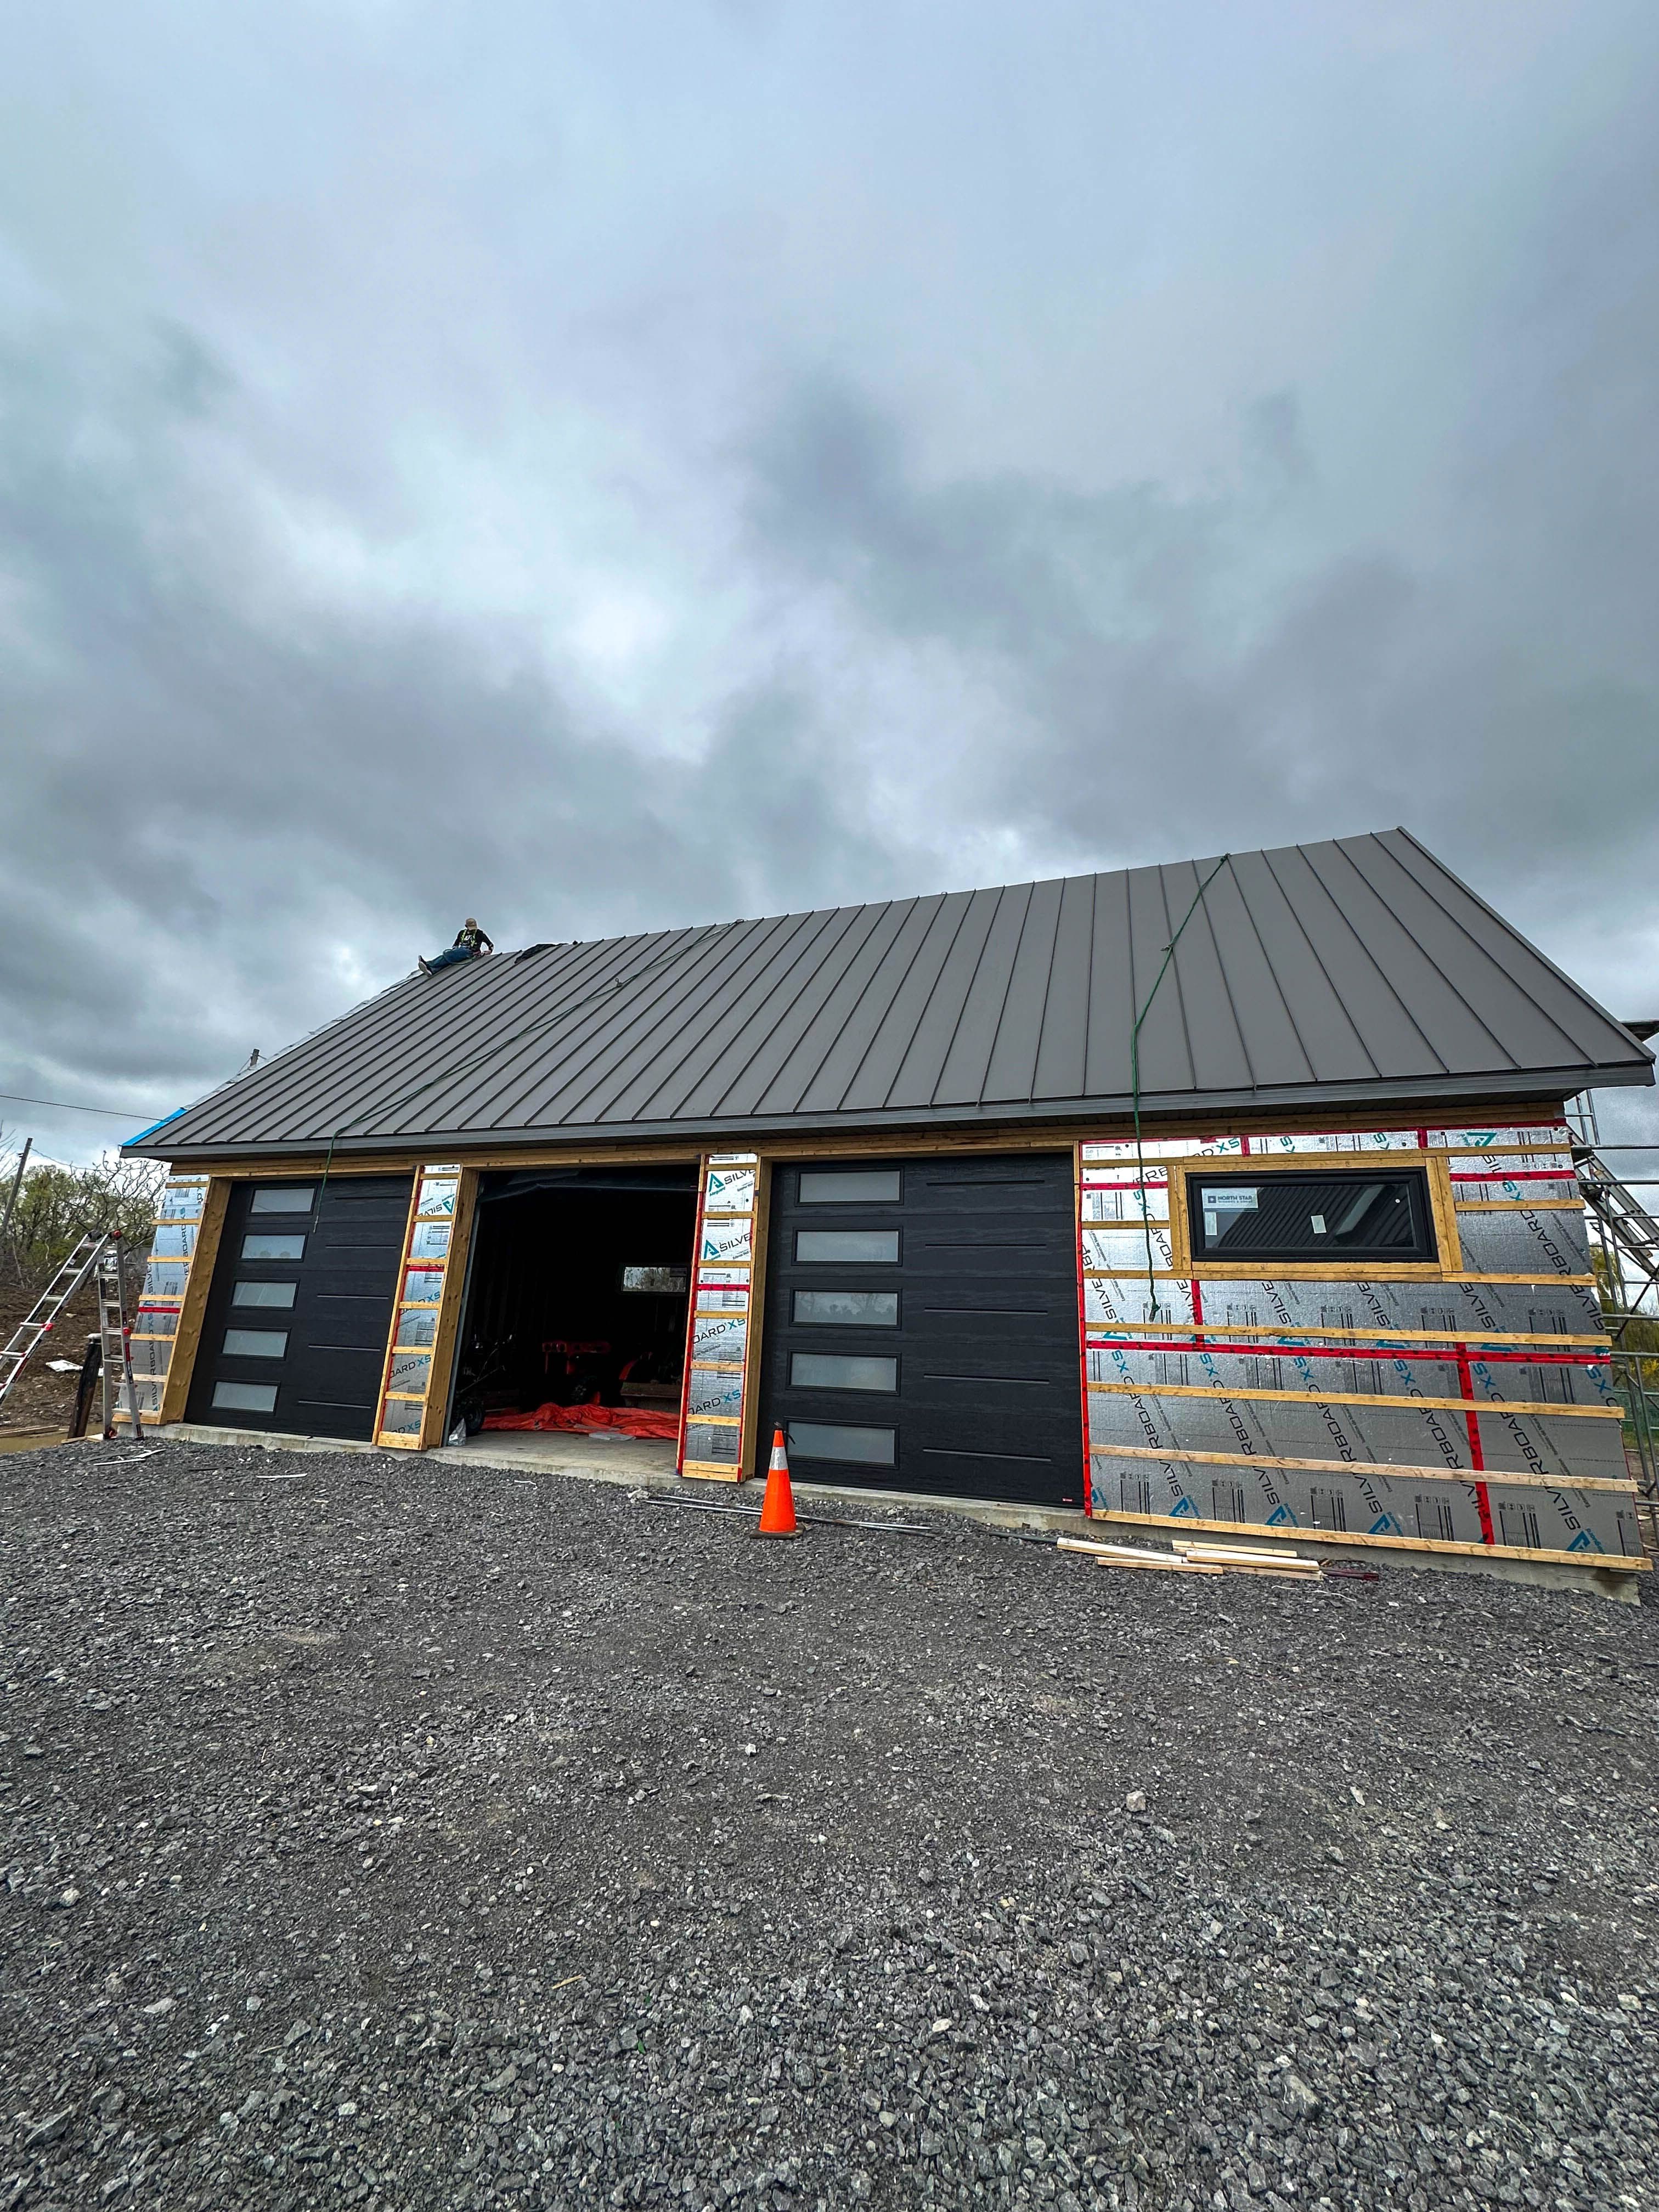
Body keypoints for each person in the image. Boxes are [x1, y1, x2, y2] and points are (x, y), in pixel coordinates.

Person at [419, 918, 495, 975]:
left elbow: (491, 945)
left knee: (449, 955)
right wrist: (454, 949)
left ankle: (429, 965)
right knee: (449, 958)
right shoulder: (462, 933)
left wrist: (488, 952)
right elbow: (456, 944)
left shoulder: (480, 933)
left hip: (471, 953)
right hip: (460, 950)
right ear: (466, 926)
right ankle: (432, 970)